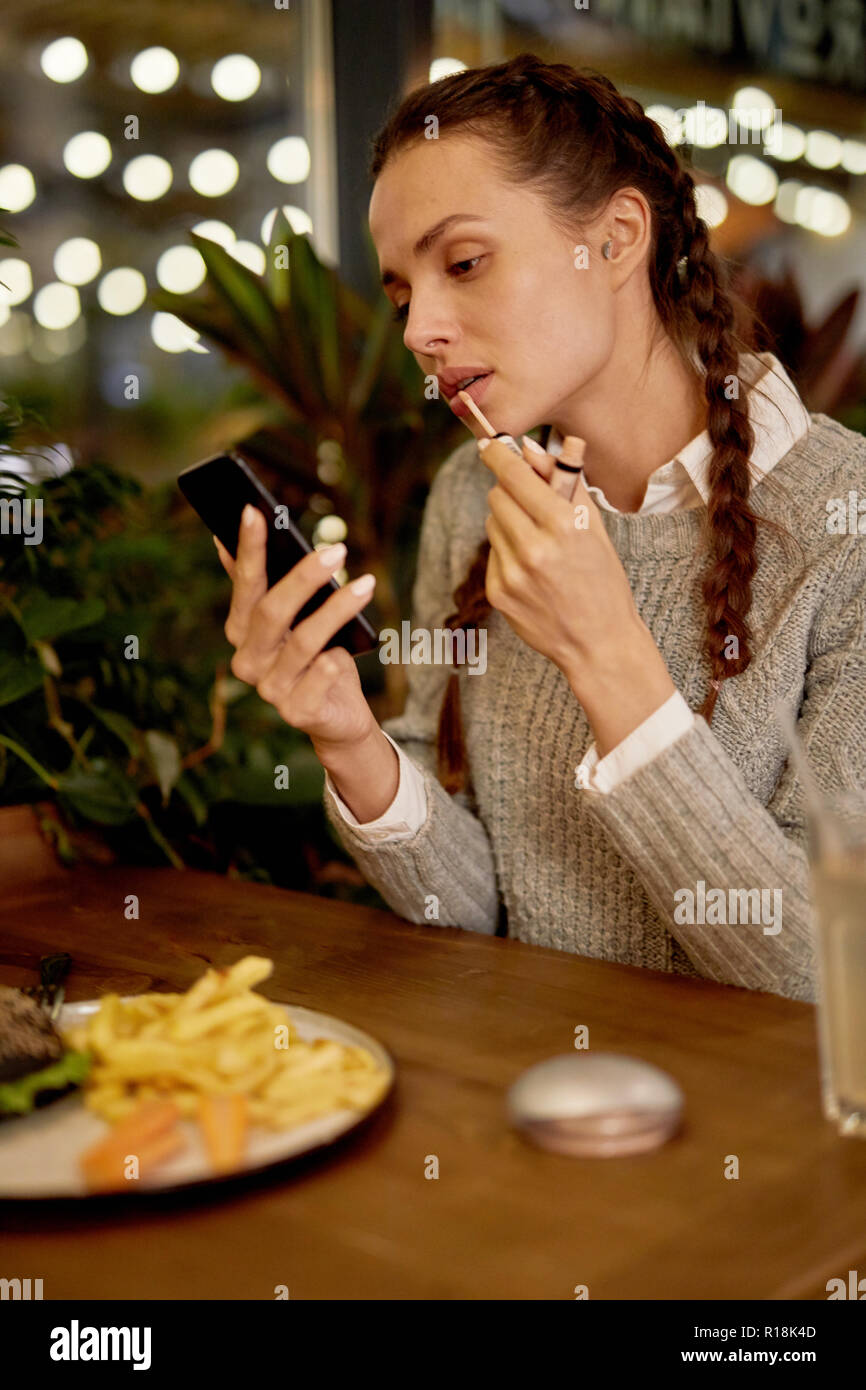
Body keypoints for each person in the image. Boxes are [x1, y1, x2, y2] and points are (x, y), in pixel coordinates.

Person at [215, 54, 866, 1003]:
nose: (418, 331)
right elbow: (469, 912)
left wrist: (609, 655)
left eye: (465, 263)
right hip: (519, 1106)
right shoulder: (469, 498)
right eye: (401, 295)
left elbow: (825, 975)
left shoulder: (843, 523)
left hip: (757, 1139)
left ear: (614, 240)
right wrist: (347, 735)